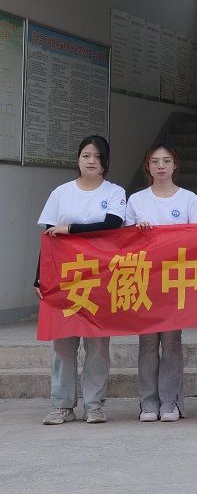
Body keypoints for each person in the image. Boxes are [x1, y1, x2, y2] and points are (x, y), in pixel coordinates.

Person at [35, 135, 125, 425]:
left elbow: (112, 224)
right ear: (78, 159)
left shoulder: (115, 192)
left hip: (100, 277)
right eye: (86, 155)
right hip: (65, 278)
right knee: (62, 344)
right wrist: (39, 278)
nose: (91, 161)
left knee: (97, 344)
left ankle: (94, 405)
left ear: (105, 162)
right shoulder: (61, 192)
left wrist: (71, 229)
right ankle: (61, 405)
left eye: (97, 156)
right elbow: (49, 238)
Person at [126, 141, 197, 422]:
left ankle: (170, 403)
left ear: (175, 165)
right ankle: (148, 403)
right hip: (146, 280)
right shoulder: (136, 200)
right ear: (147, 166)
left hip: (176, 280)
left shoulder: (188, 199)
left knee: (172, 342)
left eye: (166, 161)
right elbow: (122, 242)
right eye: (155, 161)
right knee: (148, 343)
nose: (161, 166)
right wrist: (137, 232)